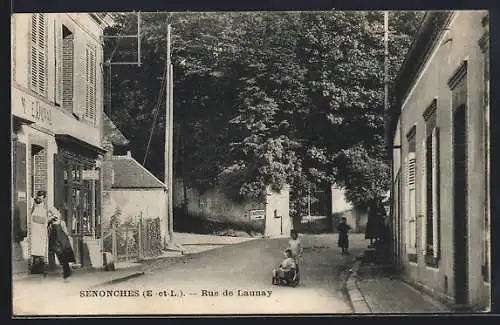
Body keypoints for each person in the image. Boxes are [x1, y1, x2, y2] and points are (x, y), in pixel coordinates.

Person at [48, 209, 75, 279]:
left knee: (64, 257)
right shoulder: (50, 223)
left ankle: (66, 272)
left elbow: (65, 232)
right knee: (60, 256)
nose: (55, 216)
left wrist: (68, 240)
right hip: (56, 242)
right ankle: (66, 271)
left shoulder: (62, 222)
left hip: (63, 241)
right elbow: (49, 232)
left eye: (56, 215)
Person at [30, 190, 49, 274]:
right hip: (35, 231)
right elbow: (32, 216)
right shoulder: (34, 205)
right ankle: (35, 269)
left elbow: (44, 219)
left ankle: (40, 269)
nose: (39, 197)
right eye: (38, 196)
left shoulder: (45, 207)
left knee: (40, 250)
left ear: (44, 197)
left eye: (41, 196)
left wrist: (46, 220)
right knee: (35, 250)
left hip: (41, 232)